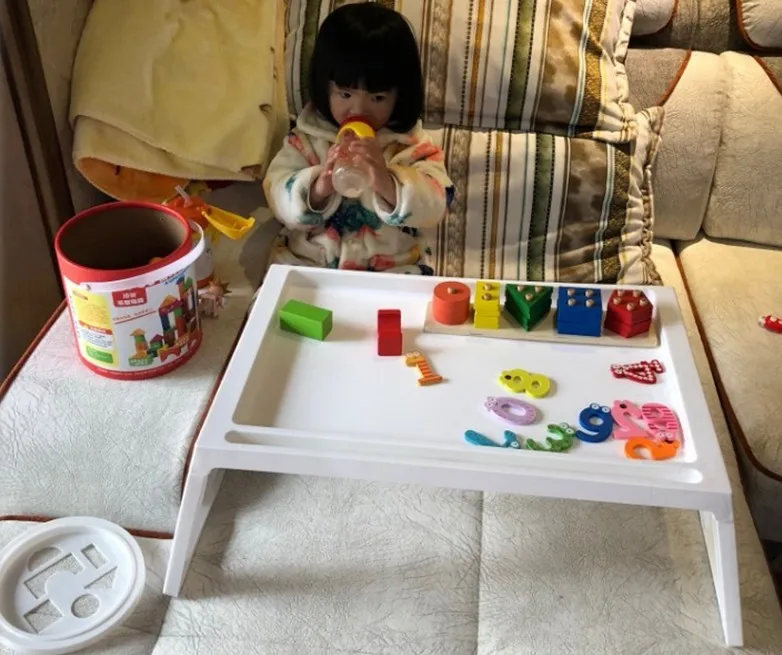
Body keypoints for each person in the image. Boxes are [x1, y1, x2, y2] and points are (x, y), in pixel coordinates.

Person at [263, 2, 453, 274]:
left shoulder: (411, 145)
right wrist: (318, 188)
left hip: (391, 273)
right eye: (345, 94)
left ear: (400, 95)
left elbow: (437, 205)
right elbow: (277, 196)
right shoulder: (304, 140)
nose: (359, 110)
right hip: (309, 268)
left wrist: (387, 181)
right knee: (276, 295)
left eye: (377, 97)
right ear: (325, 87)